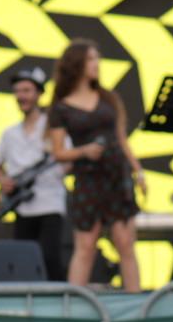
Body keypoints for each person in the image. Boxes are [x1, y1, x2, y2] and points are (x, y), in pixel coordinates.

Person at [46, 40, 146, 292]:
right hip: (88, 178)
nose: (96, 64)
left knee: (125, 242)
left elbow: (121, 139)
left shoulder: (108, 98)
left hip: (116, 174)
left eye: (97, 58)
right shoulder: (61, 108)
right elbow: (58, 152)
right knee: (86, 245)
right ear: (77, 64)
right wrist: (84, 151)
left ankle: (136, 302)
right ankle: (74, 303)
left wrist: (138, 170)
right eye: (91, 59)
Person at [0, 65, 68, 281]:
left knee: (51, 258)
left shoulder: (53, 127)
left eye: (26, 90)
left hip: (50, 202)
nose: (21, 96)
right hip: (22, 206)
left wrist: (60, 157)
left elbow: (68, 161)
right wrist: (3, 180)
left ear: (39, 93)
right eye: (17, 91)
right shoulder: (9, 133)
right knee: (25, 261)